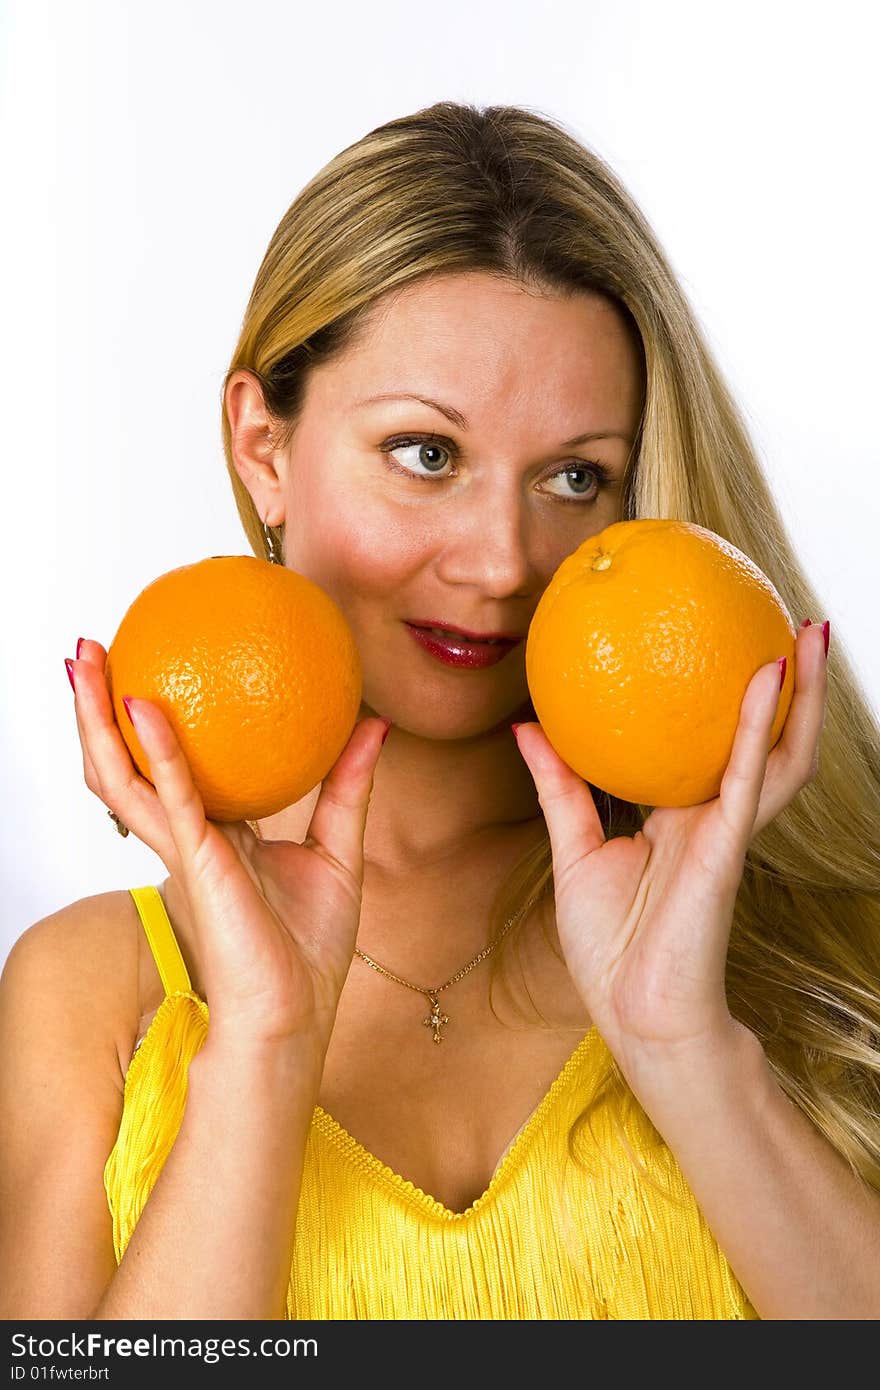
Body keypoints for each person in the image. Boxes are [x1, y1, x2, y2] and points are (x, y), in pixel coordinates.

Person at [2, 101, 879, 1324]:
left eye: (576, 475)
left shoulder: (822, 942)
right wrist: (259, 1044)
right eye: (425, 453)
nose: (500, 561)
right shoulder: (89, 993)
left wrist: (683, 1045)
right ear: (263, 445)